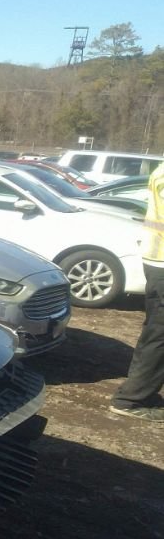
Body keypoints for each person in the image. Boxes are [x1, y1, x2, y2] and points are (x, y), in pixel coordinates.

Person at [110, 161, 164, 422]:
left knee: (156, 332)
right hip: (162, 263)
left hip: (157, 260)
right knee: (158, 335)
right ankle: (131, 399)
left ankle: (137, 394)